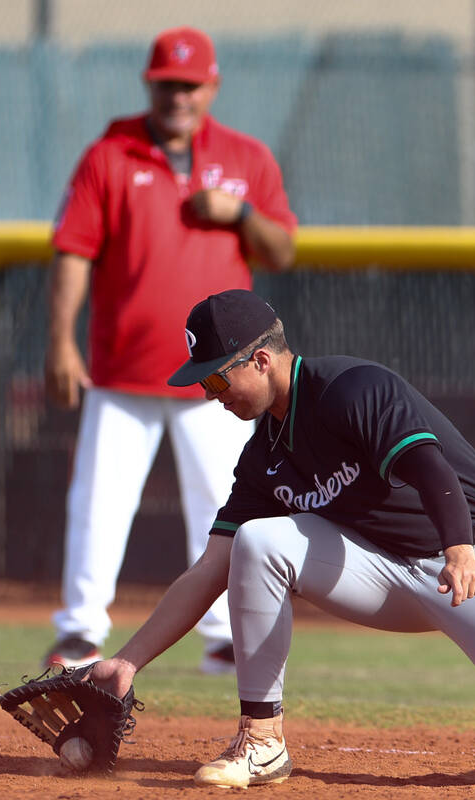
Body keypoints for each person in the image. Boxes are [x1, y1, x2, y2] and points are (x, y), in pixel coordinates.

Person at [83, 288, 475, 788]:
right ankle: (262, 742)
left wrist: (459, 549)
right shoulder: (262, 458)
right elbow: (209, 570)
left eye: (216, 380)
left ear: (260, 360)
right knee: (258, 543)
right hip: (384, 571)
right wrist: (127, 660)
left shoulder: (350, 389)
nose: (208, 395)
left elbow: (432, 467)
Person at [42, 27, 298, 675]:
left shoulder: (246, 157)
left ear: (211, 87)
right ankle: (79, 632)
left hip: (221, 378)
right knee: (98, 505)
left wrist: (240, 215)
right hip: (122, 368)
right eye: (166, 84)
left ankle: (222, 635)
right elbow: (74, 251)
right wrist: (59, 342)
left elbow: (283, 250)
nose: (177, 95)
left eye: (189, 84)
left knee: (225, 507)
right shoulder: (110, 154)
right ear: (149, 86)